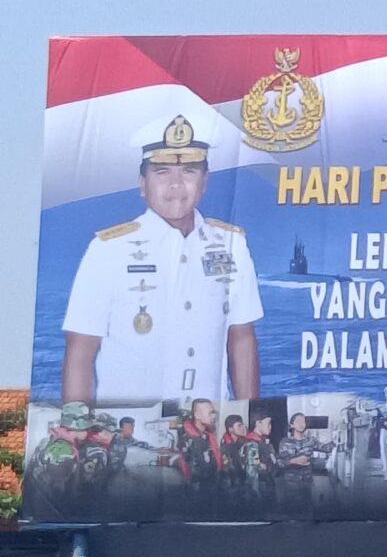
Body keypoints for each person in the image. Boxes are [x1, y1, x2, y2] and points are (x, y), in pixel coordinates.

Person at [60, 114, 265, 406]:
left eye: (189, 171)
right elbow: (81, 349)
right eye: (162, 172)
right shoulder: (108, 250)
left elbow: (241, 339)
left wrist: (246, 420)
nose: (176, 185)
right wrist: (77, 427)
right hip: (129, 431)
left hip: (210, 429)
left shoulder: (232, 245)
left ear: (205, 181)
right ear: (142, 183)